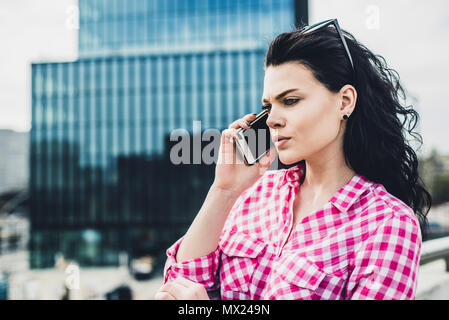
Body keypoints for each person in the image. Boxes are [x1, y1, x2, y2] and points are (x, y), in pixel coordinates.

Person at [154, 19, 432, 300]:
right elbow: (180, 285)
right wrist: (223, 191)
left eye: (290, 101)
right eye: (268, 106)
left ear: (345, 101)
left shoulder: (388, 224)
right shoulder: (254, 194)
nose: (273, 120)